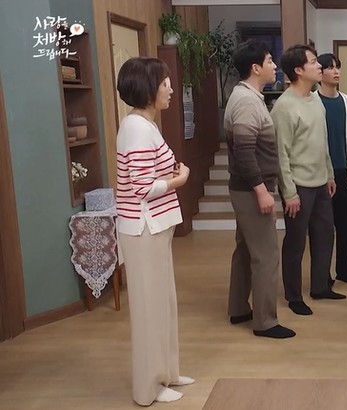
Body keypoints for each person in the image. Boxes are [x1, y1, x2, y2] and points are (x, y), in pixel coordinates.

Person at [115, 57, 194, 405]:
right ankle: (148, 387)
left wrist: (170, 175)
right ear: (148, 89)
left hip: (153, 227)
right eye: (165, 84)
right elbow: (142, 187)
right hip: (142, 229)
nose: (171, 90)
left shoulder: (144, 124)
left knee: (164, 303)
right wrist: (180, 179)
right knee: (150, 310)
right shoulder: (136, 128)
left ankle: (167, 373)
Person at [224, 39, 295, 339]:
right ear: (255, 68)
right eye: (269, 61)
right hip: (251, 190)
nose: (275, 66)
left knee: (245, 250)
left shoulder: (247, 96)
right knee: (265, 255)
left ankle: (239, 308)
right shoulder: (246, 101)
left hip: (246, 189)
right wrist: (262, 191)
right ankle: (265, 322)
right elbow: (244, 152)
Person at [271, 44, 346, 316]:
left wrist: (329, 174)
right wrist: (289, 192)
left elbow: (322, 142)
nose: (319, 66)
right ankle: (293, 296)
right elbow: (280, 154)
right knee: (295, 242)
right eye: (314, 62)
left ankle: (320, 286)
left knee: (325, 235)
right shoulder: (284, 107)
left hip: (321, 183)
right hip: (299, 186)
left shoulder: (316, 100)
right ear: (299, 70)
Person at [316, 52, 347, 286]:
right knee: (324, 228)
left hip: (343, 172)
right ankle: (322, 276)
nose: (335, 71)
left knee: (346, 225)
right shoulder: (313, 101)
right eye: (329, 67)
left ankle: (346, 270)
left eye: (337, 67)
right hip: (321, 175)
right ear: (320, 72)